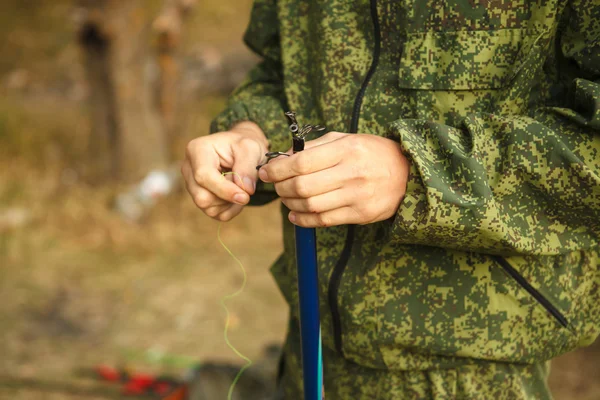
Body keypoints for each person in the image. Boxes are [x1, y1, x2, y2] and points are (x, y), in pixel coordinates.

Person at [181, 0, 600, 398]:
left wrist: (416, 172)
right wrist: (250, 132)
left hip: (473, 365)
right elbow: (280, 70)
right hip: (311, 343)